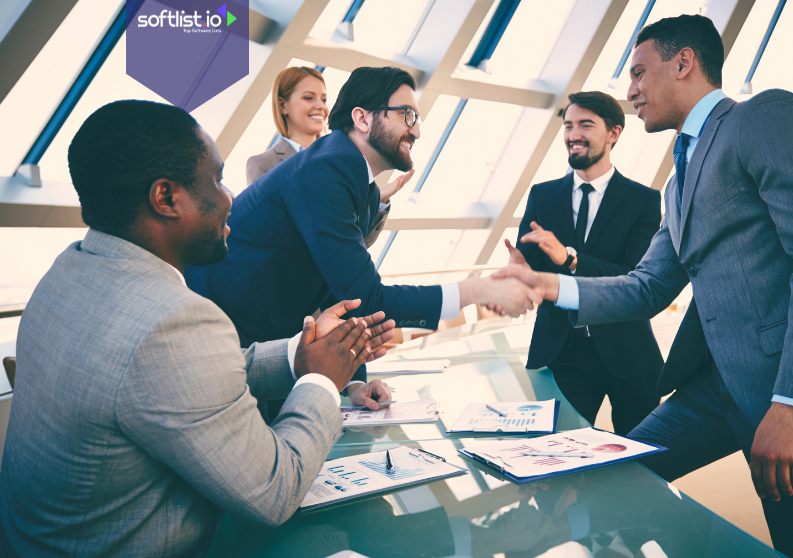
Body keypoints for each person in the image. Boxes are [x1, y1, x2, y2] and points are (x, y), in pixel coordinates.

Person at [493, 15, 793, 558]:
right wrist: (548, 285)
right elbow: (646, 287)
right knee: (623, 475)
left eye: (639, 73)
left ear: (683, 62)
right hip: (721, 385)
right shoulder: (677, 182)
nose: (631, 91)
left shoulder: (764, 118)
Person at [0, 100, 396, 558]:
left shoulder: (69, 270)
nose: (231, 198)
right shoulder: (171, 319)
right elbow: (273, 490)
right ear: (166, 198)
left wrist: (298, 356)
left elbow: (180, 378)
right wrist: (323, 381)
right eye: (216, 179)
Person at [185, 66, 540, 406]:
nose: (416, 132)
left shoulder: (362, 186)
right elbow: (369, 298)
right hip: (218, 341)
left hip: (265, 340)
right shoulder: (327, 170)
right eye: (407, 115)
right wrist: (480, 290)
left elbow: (344, 292)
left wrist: (355, 381)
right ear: (362, 118)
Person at [505, 90, 663, 431]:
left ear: (614, 133)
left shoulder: (644, 201)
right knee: (554, 456)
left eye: (585, 125)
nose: (573, 135)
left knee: (645, 461)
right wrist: (520, 270)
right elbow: (532, 269)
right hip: (561, 351)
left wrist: (571, 260)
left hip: (629, 352)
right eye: (568, 125)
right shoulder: (542, 195)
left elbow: (637, 277)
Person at [246, 66, 413, 249]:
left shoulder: (344, 161)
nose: (320, 106)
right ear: (282, 105)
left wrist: (376, 201)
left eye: (324, 99)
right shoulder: (262, 163)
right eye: (309, 97)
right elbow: (272, 236)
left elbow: (357, 243)